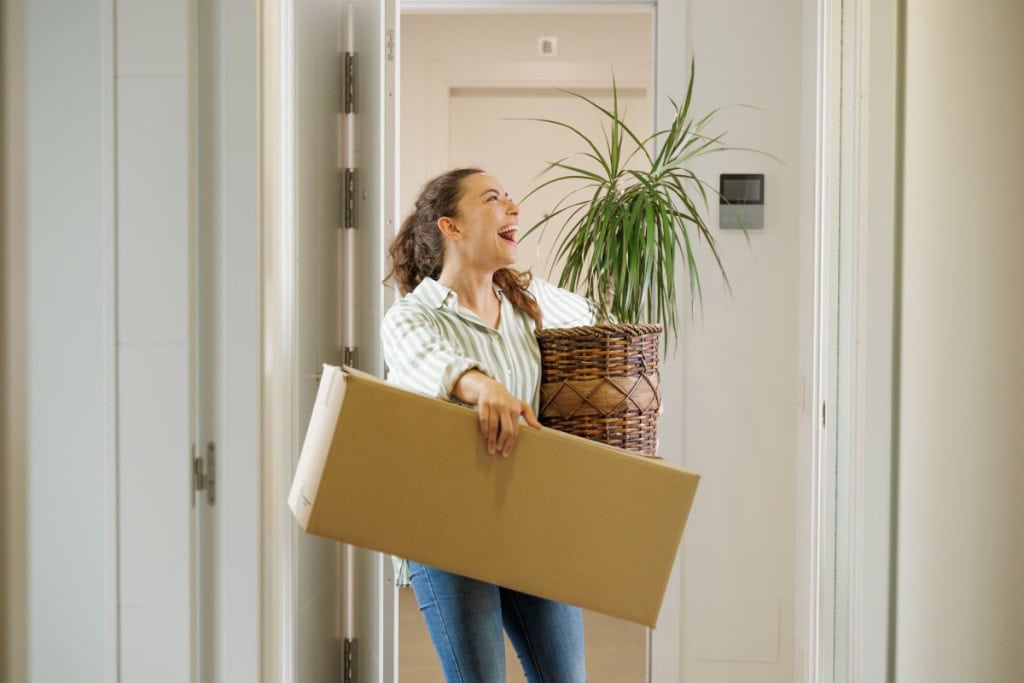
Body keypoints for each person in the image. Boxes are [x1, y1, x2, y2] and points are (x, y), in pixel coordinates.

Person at [381, 167, 600, 682]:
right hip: (445, 530)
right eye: (494, 199)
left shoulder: (530, 303)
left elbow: (601, 322)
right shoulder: (412, 316)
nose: (513, 207)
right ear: (451, 227)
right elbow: (427, 360)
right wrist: (481, 386)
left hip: (526, 519)